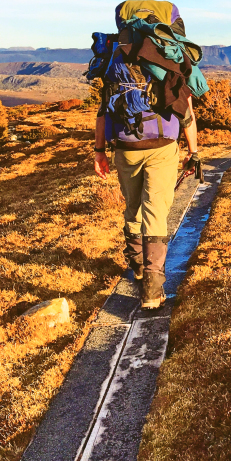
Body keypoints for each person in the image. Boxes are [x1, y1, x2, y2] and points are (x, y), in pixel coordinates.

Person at [94, 65, 200, 311]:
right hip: (162, 147)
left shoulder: (116, 62)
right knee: (155, 211)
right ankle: (152, 290)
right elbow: (187, 112)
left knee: (133, 206)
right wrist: (193, 152)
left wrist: (99, 151)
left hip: (125, 148)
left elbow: (103, 112)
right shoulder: (168, 63)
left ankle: (139, 268)